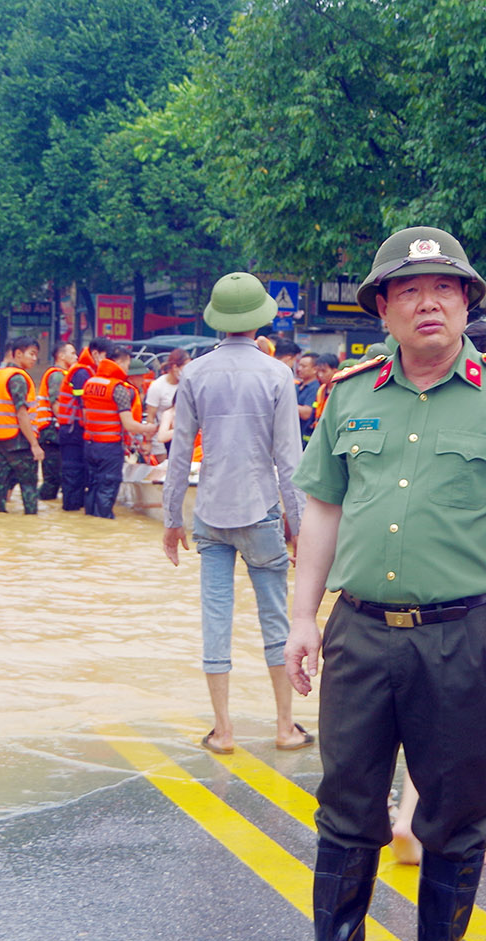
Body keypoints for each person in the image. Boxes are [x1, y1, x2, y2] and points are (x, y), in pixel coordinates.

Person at [275, 226, 486, 941]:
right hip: (362, 633)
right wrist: (302, 618)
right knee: (345, 802)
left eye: (444, 289)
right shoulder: (348, 394)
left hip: (462, 637)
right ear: (383, 308)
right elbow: (321, 514)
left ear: (467, 303)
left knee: (454, 810)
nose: (428, 303)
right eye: (408, 291)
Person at [389, 318, 486, 868]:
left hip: (426, 590)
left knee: (419, 710)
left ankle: (408, 812)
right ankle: (482, 833)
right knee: (484, 722)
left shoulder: (417, 416)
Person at [161, 274, 309, 755]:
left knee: (215, 620)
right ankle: (286, 727)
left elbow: (180, 453)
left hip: (210, 515)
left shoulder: (195, 374)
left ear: (218, 320)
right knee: (276, 623)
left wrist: (171, 520)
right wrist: (301, 530)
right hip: (262, 511)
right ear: (260, 318)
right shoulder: (277, 374)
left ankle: (223, 731)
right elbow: (290, 460)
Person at [80, 342, 154, 519]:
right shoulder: (118, 389)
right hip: (109, 448)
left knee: (93, 486)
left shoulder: (90, 383)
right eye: (128, 364)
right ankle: (103, 524)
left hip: (89, 445)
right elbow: (129, 425)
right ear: (120, 362)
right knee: (107, 487)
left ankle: (90, 525)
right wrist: (148, 428)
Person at [0, 336, 45, 515]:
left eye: (36, 355)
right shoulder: (18, 378)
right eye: (31, 354)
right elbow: (22, 414)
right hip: (19, 443)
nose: (34, 358)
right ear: (18, 354)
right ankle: (30, 526)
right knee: (29, 488)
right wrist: (34, 445)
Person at [55, 343, 97, 511]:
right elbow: (85, 404)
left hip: (73, 430)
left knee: (78, 473)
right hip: (73, 431)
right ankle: (71, 509)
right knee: (73, 472)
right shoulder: (82, 373)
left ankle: (74, 508)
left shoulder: (85, 371)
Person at [36, 342, 76, 500]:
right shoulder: (58, 375)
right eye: (72, 353)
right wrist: (68, 426)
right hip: (51, 435)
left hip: (54, 434)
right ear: (61, 356)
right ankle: (39, 502)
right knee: (53, 479)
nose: (76, 357)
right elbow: (56, 404)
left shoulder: (63, 375)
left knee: (56, 477)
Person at [144, 347, 187, 459]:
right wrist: (148, 442)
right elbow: (150, 417)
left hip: (183, 439)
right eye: (185, 367)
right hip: (162, 439)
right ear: (175, 367)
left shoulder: (187, 384)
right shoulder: (158, 386)